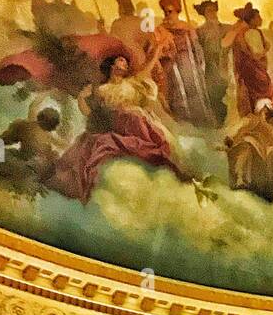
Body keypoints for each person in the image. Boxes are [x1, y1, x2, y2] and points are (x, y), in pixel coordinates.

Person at [52, 50, 188, 204]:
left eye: (125, 62)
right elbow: (93, 113)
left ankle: (173, 179)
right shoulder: (102, 90)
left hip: (138, 122)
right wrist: (82, 98)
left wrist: (157, 49)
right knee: (93, 149)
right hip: (117, 124)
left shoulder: (131, 82)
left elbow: (147, 67)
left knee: (161, 145)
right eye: (121, 60)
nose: (124, 63)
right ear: (112, 65)